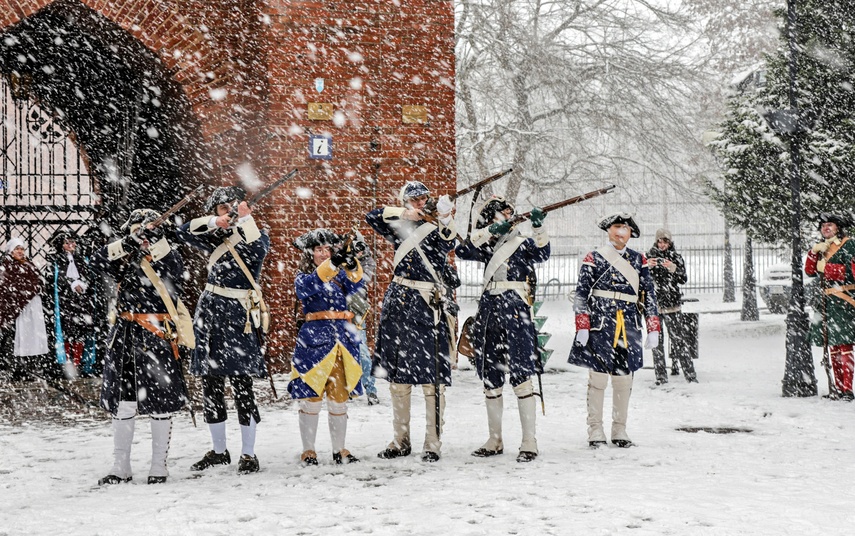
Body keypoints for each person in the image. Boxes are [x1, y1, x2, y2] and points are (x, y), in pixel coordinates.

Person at [175, 186, 270, 474]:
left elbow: (258, 249)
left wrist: (245, 218)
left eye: (231, 206)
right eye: (221, 208)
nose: (228, 210)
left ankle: (249, 454)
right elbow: (182, 231)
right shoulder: (215, 237)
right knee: (211, 383)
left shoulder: (255, 233)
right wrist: (216, 223)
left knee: (242, 385)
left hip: (238, 314)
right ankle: (218, 451)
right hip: (211, 313)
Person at [90, 210, 189, 485]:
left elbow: (173, 270)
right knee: (123, 404)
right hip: (124, 336)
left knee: (160, 404)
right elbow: (96, 261)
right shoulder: (124, 259)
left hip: (155, 336)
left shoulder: (168, 257)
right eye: (137, 231)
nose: (143, 237)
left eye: (146, 232)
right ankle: (120, 466)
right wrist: (127, 244)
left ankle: (159, 466)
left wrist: (155, 241)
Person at [366, 180, 457, 462]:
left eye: (423, 199)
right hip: (399, 303)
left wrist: (445, 216)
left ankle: (432, 442)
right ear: (406, 201)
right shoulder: (398, 223)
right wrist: (405, 215)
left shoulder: (437, 227)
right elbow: (372, 216)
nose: (420, 203)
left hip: (428, 306)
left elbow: (449, 241)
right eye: (414, 199)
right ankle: (400, 440)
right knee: (398, 380)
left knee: (433, 381)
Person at [455, 196, 550, 462]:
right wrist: (488, 232)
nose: (508, 215)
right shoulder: (486, 243)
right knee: (491, 376)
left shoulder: (523, 242)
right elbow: (462, 250)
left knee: (521, 374)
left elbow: (543, 253)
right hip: (489, 312)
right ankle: (495, 439)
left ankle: (529, 440)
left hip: (517, 311)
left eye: (509, 212)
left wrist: (539, 228)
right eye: (502, 213)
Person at [568, 213, 660, 448]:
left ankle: (620, 430)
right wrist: (582, 324)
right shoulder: (595, 257)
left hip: (627, 325)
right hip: (601, 324)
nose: (620, 231)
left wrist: (652, 327)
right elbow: (581, 293)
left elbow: (648, 294)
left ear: (631, 233)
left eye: (625, 228)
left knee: (623, 379)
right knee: (597, 380)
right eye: (617, 226)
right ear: (608, 230)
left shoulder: (639, 259)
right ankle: (595, 429)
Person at [289, 228, 364, 465]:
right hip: (314, 340)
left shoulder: (340, 276)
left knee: (339, 397)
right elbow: (309, 287)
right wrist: (332, 264)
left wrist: (351, 264)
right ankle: (308, 450)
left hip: (342, 340)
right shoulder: (303, 277)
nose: (323, 253)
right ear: (310, 253)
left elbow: (358, 285)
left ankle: (339, 449)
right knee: (311, 397)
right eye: (319, 249)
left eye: (327, 249)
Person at [805, 213, 855, 400]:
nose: (825, 228)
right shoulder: (822, 248)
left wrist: (825, 267)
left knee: (845, 347)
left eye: (830, 225)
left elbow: (851, 271)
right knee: (832, 346)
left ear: (838, 228)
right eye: (823, 225)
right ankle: (838, 388)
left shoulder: (849, 245)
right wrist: (813, 252)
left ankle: (848, 389)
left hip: (844, 301)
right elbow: (809, 271)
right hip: (827, 303)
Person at [44, 229, 98, 378]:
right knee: (67, 332)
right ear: (62, 245)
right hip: (65, 303)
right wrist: (72, 285)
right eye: (67, 242)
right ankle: (67, 363)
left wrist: (82, 284)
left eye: (73, 242)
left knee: (81, 333)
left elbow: (89, 277)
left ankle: (78, 363)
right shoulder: (57, 261)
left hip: (82, 303)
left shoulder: (82, 259)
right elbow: (57, 281)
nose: (71, 244)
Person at [647, 228, 697, 385]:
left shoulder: (676, 257)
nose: (662, 244)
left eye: (665, 241)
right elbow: (640, 280)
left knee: (678, 340)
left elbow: (683, 279)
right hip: (653, 306)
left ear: (670, 242)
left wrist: (673, 268)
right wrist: (646, 267)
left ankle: (690, 375)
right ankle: (661, 377)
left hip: (672, 305)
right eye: (659, 241)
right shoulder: (648, 257)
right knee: (656, 342)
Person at [0, 238, 49, 382]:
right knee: (15, 339)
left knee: (29, 338)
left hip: (31, 310)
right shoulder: (7, 267)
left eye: (22, 249)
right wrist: (25, 293)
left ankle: (26, 369)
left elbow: (39, 281)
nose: (20, 252)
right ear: (11, 251)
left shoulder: (29, 264)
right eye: (17, 249)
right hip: (17, 310)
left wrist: (37, 287)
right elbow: (7, 288)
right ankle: (12, 370)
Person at [348, 231, 380, 406]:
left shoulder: (367, 261)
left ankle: (371, 389)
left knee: (364, 355)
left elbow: (363, 278)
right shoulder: (339, 261)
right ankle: (347, 388)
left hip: (358, 314)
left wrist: (354, 264)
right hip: (338, 313)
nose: (357, 252)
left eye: (360, 248)